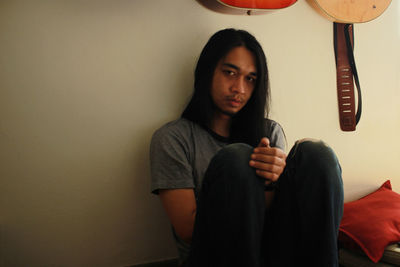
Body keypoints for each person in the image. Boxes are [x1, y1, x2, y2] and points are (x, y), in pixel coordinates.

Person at [150, 28, 344, 267]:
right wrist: (245, 178)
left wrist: (274, 182)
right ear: (207, 72)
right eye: (230, 73)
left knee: (317, 154)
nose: (239, 89)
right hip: (214, 257)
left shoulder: (270, 132)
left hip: (273, 253)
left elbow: (276, 220)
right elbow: (187, 229)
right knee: (237, 159)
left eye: (250, 79)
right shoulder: (173, 138)